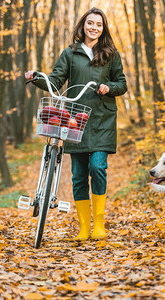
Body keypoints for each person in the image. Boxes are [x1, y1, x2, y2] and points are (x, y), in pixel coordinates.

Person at [25, 7, 127, 241]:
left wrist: (108, 87)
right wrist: (37, 77)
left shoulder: (111, 54)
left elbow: (121, 83)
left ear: (103, 28)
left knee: (97, 167)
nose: (94, 28)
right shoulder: (70, 53)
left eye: (99, 25)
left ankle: (99, 224)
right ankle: (83, 227)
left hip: (102, 118)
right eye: (90, 23)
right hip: (75, 120)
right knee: (79, 175)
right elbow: (55, 81)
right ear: (83, 26)